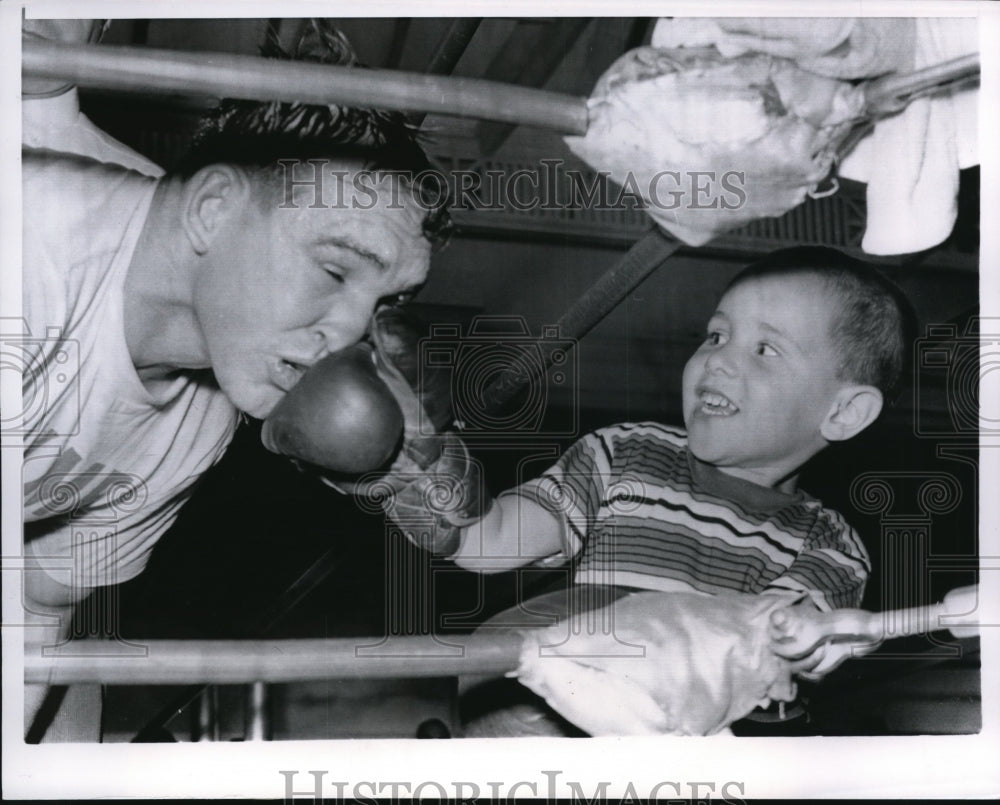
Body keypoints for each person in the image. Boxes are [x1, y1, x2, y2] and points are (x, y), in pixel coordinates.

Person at [21, 21, 451, 741]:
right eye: (335, 270)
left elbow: (37, 604)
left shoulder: (201, 422)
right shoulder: (30, 267)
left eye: (383, 305)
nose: (350, 337)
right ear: (213, 210)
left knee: (70, 724)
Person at [368, 245, 915, 733]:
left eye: (765, 350)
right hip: (550, 723)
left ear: (844, 412)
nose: (717, 358)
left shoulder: (829, 546)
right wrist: (416, 465)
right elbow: (489, 542)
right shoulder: (623, 455)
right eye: (717, 334)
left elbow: (775, 647)